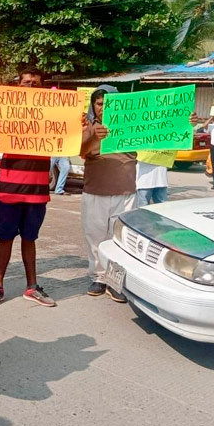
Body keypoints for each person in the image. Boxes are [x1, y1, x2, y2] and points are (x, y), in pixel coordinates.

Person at [0, 68, 56, 308]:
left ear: (43, 87)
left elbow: (68, 135)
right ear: (19, 85)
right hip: (9, 187)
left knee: (30, 238)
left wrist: (78, 123)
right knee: (5, 238)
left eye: (35, 83)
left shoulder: (52, 114)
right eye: (26, 82)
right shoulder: (5, 110)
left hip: (37, 190)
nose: (31, 86)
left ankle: (32, 286)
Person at [80, 85, 134, 303]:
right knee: (95, 237)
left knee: (120, 238)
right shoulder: (86, 126)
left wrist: (186, 123)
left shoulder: (133, 125)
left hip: (126, 191)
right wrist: (93, 135)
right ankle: (99, 277)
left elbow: (166, 133)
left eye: (109, 103)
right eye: (100, 103)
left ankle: (115, 281)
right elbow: (80, 151)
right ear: (94, 105)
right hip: (96, 191)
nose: (104, 108)